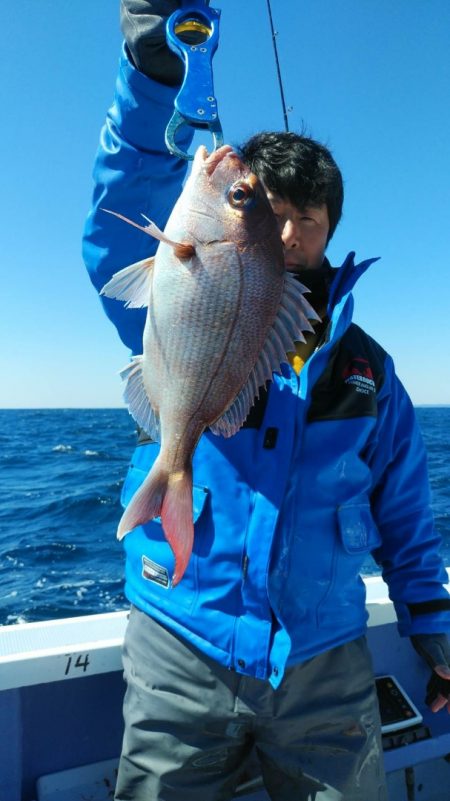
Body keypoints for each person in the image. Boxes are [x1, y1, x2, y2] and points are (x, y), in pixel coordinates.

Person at [83, 2, 450, 799]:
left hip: (325, 660)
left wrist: (433, 625)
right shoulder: (184, 268)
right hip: (183, 641)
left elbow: (407, 515)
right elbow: (119, 217)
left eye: (307, 221)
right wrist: (153, 67)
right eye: (269, 210)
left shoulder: (369, 374)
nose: (286, 236)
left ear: (328, 233)